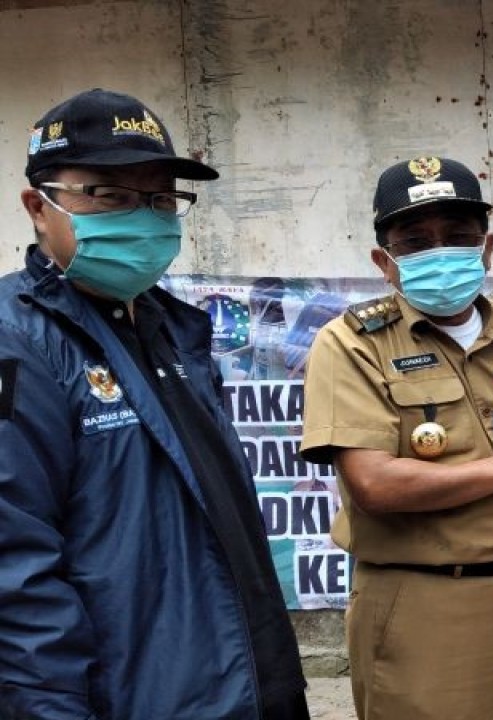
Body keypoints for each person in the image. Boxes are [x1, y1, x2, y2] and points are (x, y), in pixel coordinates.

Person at [0, 89, 308, 718]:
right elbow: (16, 573)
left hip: (247, 684)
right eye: (110, 196)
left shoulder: (173, 329)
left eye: (161, 200)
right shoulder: (17, 341)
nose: (144, 219)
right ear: (38, 207)